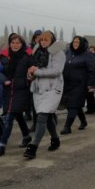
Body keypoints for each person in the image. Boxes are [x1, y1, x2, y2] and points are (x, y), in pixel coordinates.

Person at [24, 31, 66, 159]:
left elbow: (56, 71)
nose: (43, 42)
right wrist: (30, 74)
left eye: (46, 40)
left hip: (52, 88)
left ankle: (33, 146)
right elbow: (32, 69)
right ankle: (55, 139)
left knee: (42, 116)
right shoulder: (37, 53)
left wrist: (36, 72)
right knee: (46, 117)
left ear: (52, 40)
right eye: (41, 39)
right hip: (38, 89)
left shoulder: (58, 53)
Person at [0, 34, 33, 156]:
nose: (15, 45)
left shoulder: (28, 56)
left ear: (22, 44)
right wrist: (3, 79)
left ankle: (2, 144)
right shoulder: (4, 56)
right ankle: (26, 136)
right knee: (17, 114)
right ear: (9, 43)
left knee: (9, 117)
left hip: (21, 90)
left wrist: (29, 77)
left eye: (18, 43)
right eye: (13, 42)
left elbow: (33, 71)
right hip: (8, 90)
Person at [60, 35, 95, 135]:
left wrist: (90, 84)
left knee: (73, 105)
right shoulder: (68, 53)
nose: (75, 44)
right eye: (74, 42)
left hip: (80, 84)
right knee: (73, 104)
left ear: (82, 44)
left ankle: (67, 127)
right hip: (67, 84)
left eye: (78, 42)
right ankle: (83, 121)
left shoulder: (87, 55)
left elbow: (92, 70)